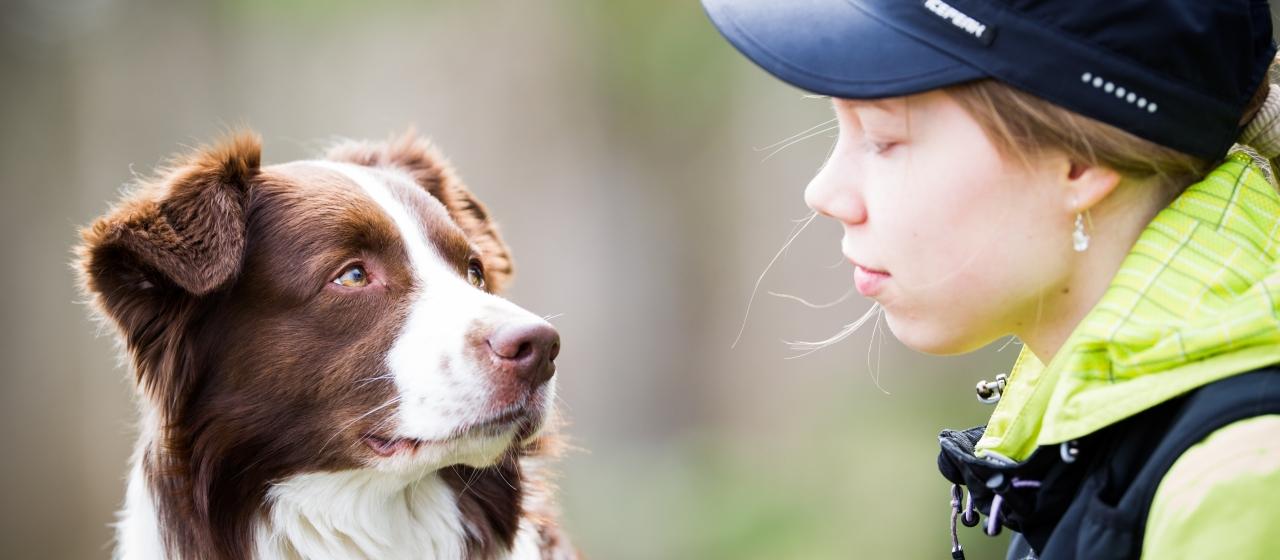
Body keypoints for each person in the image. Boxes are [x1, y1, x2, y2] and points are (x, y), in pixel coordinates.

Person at [702, 1, 1280, 558]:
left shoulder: (1237, 479)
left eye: (883, 140)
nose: (823, 193)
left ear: (1078, 163)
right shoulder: (1090, 416)